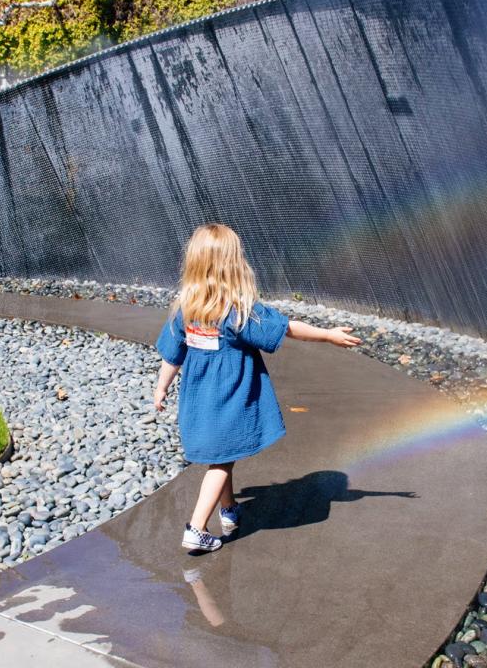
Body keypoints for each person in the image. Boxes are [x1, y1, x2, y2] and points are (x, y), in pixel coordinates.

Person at [153, 224, 362, 553]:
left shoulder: (186, 307)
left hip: (199, 398)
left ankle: (230, 509)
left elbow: (172, 354)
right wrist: (328, 335)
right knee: (220, 463)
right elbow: (287, 328)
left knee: (223, 456)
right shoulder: (236, 309)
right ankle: (196, 528)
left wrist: (161, 388)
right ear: (232, 263)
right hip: (230, 396)